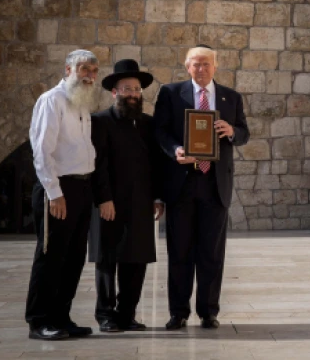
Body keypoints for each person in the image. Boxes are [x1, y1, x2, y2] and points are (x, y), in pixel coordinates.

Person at [154, 45, 249, 330]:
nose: (201, 69)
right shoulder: (171, 93)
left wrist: (232, 132)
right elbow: (159, 131)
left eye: (207, 64)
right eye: (196, 64)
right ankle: (178, 312)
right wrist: (176, 150)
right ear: (187, 66)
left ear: (216, 66)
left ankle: (209, 311)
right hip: (182, 182)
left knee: (212, 252)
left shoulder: (231, 97)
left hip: (215, 185)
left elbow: (244, 132)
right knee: (179, 251)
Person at [24, 49, 99, 341]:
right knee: (51, 256)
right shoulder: (51, 100)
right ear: (68, 70)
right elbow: (42, 150)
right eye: (84, 69)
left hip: (81, 188)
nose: (90, 75)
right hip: (57, 189)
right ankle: (39, 320)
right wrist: (54, 193)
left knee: (73, 258)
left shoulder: (82, 104)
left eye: (93, 70)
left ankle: (61, 317)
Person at [89, 60, 165, 333]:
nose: (132, 93)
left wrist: (157, 197)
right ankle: (106, 316)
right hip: (109, 203)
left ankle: (127, 314)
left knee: (137, 260)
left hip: (141, 203)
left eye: (136, 89)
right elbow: (97, 164)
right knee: (107, 261)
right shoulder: (100, 121)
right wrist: (103, 198)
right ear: (114, 92)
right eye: (126, 89)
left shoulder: (148, 123)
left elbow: (156, 164)